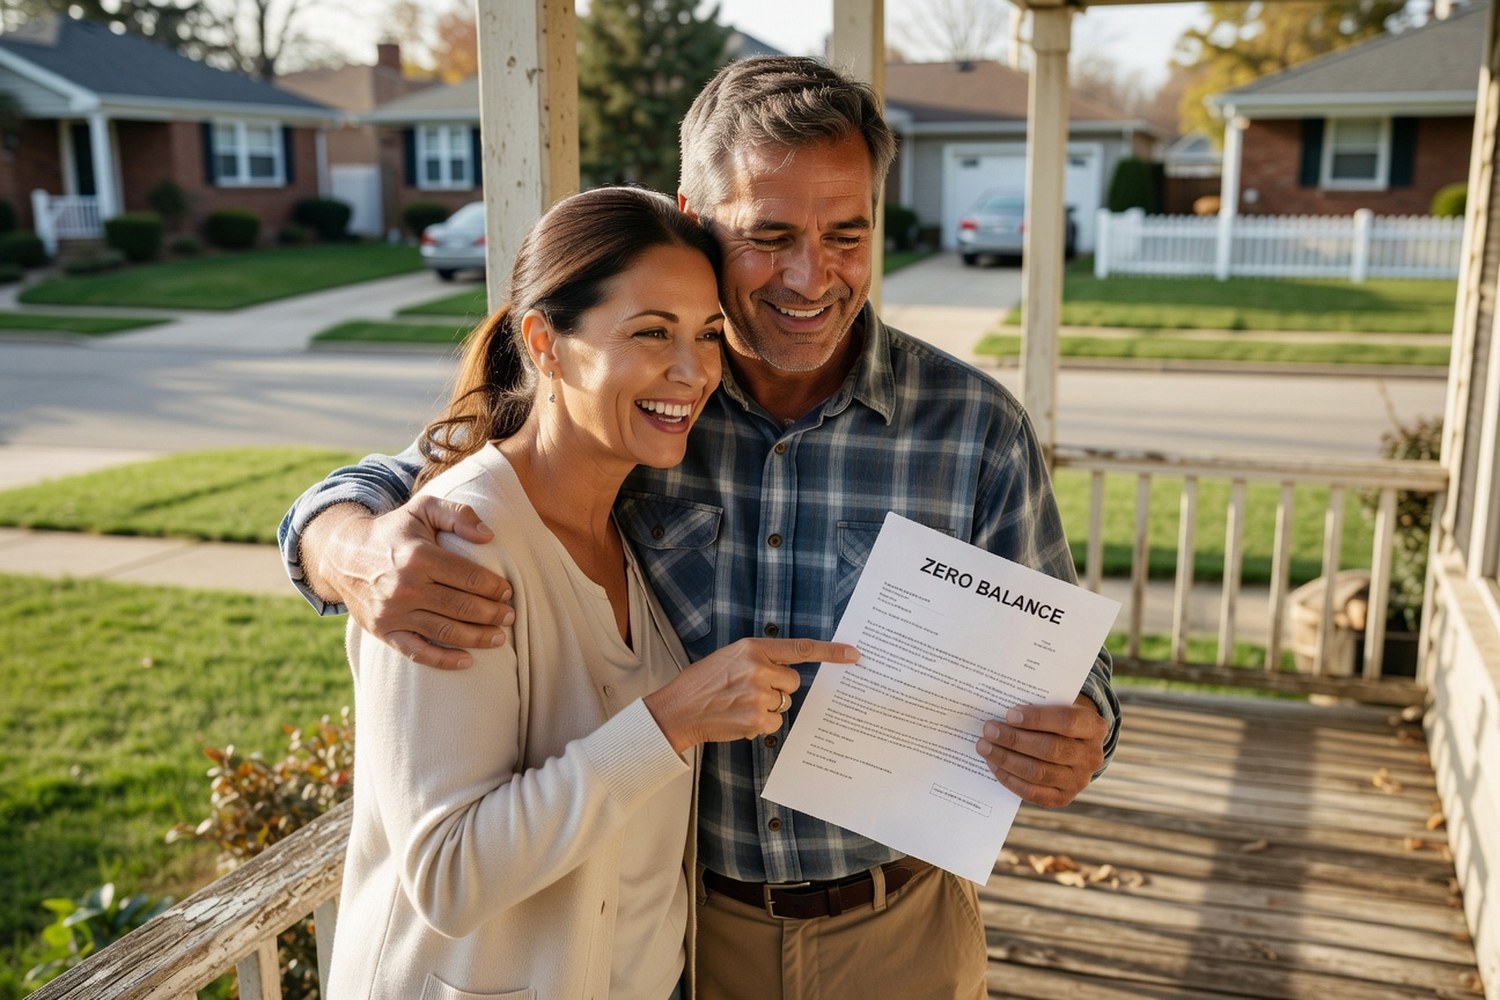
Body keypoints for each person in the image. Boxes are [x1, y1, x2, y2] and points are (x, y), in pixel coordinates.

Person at [284, 57, 1120, 999]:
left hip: (901, 927)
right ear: (695, 214)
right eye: (769, 235)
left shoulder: (974, 428)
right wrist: (343, 547)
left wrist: (1083, 730)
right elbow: (429, 478)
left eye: (848, 234)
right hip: (687, 932)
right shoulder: (643, 402)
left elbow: (1070, 670)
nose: (814, 276)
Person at [322, 185, 857, 1000]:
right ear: (545, 342)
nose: (693, 371)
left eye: (708, 334)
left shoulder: (635, 520)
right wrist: (670, 721)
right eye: (651, 333)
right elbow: (449, 873)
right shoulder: (456, 552)